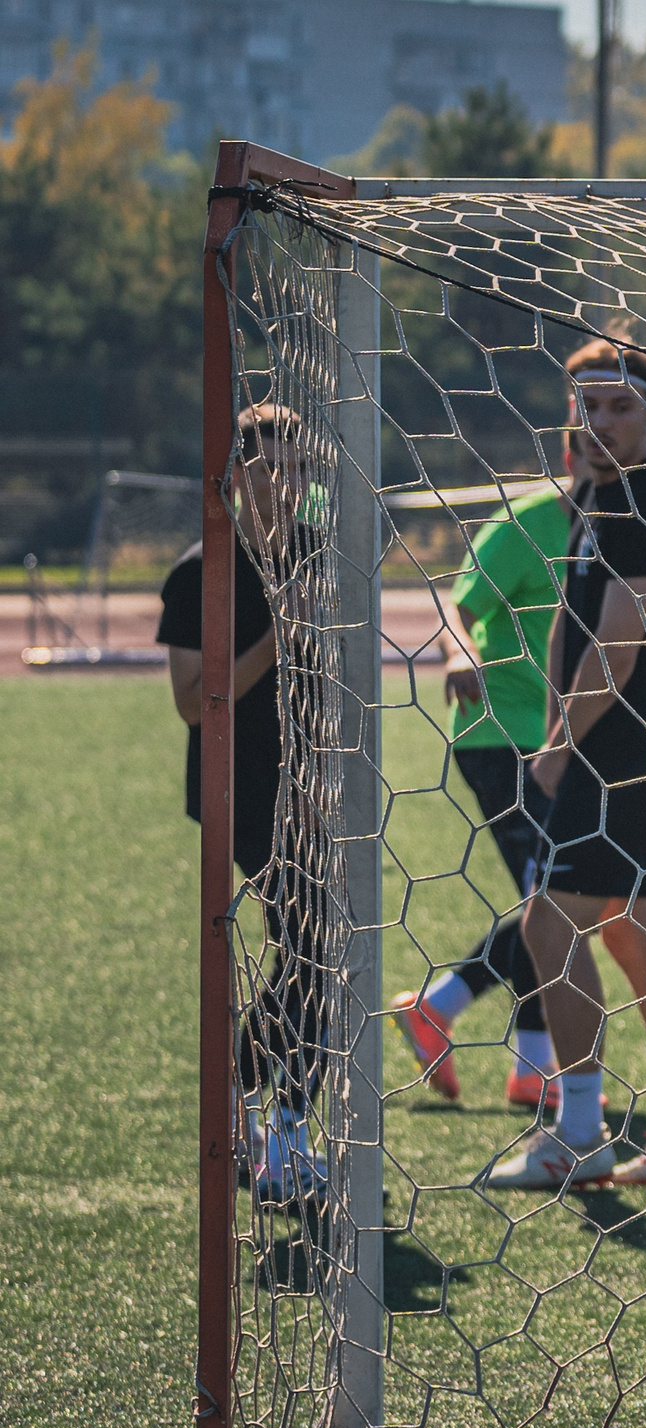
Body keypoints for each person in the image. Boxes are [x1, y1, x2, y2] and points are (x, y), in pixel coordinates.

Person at [478, 341, 646, 1191]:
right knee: (632, 931)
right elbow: (584, 627)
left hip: (622, 750)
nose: (598, 423)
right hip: (626, 740)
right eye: (586, 406)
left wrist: (560, 744)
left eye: (618, 408)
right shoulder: (598, 501)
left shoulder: (645, 506)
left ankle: (578, 1132)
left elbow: (623, 644)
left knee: (548, 924)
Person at [157, 402, 326, 1207]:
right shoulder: (202, 570)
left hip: (316, 784)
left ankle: (265, 1110)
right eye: (274, 467)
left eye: (300, 468)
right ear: (235, 473)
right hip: (241, 784)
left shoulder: (320, 553)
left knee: (322, 952)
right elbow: (195, 702)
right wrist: (279, 636)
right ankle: (274, 1128)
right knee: (313, 946)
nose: (289, 484)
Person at [393, 473, 573, 1115]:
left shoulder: (621, 526)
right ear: (570, 446)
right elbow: (457, 603)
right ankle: (517, 1054)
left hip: (566, 736)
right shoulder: (526, 523)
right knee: (552, 897)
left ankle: (456, 1019)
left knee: (557, 897)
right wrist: (459, 653)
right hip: (500, 733)